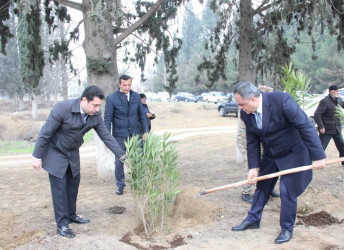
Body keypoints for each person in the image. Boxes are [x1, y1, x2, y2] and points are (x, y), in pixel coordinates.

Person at [231, 82, 326, 244]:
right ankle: (253, 219)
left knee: (287, 190)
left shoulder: (282, 101)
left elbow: (305, 126)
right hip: (271, 153)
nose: (240, 108)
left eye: (241, 104)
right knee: (262, 186)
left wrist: (318, 155)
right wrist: (254, 167)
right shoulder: (247, 113)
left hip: (293, 153)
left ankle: (287, 228)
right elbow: (252, 140)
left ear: (253, 99)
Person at [32, 85, 126, 238]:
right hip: (56, 151)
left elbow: (106, 136)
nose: (97, 109)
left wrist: (121, 155)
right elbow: (45, 132)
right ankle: (62, 224)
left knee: (74, 183)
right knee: (60, 188)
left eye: (99, 106)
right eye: (94, 105)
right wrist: (36, 156)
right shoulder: (63, 108)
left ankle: (71, 215)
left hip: (72, 152)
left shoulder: (95, 115)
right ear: (84, 100)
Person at [104, 74, 149, 195]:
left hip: (135, 135)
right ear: (119, 84)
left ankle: (138, 183)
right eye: (124, 85)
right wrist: (107, 139)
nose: (127, 87)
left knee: (138, 159)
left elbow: (142, 116)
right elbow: (107, 120)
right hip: (119, 135)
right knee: (120, 161)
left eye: (129, 85)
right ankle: (120, 185)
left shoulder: (136, 97)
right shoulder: (111, 98)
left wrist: (145, 131)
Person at [237, 85, 280, 203]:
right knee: (252, 167)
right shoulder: (247, 110)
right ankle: (246, 191)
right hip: (246, 143)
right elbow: (251, 136)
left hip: (261, 143)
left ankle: (268, 187)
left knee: (269, 166)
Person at [314, 85, 344, 166]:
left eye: (338, 91)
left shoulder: (339, 100)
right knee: (321, 148)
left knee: (342, 147)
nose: (337, 92)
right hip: (326, 129)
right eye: (336, 91)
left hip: (337, 129)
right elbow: (317, 114)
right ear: (331, 91)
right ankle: (316, 163)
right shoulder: (324, 101)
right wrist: (321, 126)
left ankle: (343, 162)